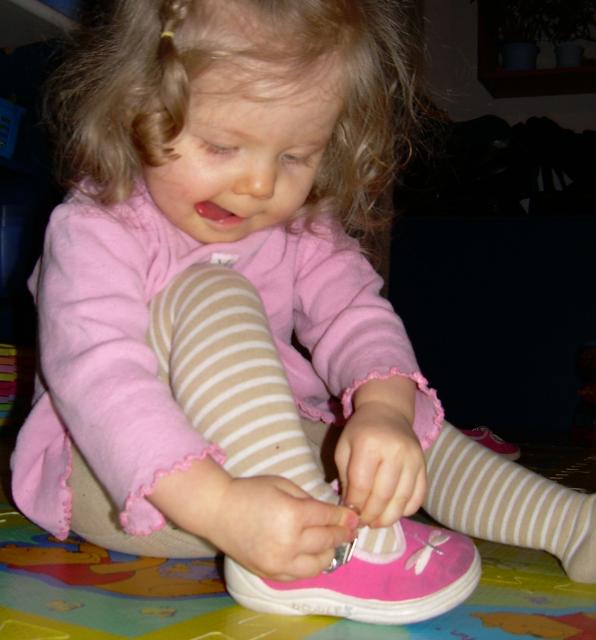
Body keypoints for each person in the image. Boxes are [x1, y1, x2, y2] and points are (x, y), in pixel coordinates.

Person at [11, 0, 594, 626]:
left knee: (403, 434)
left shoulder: (300, 227)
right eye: (222, 145)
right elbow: (100, 382)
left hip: (263, 464)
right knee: (212, 289)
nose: (260, 185)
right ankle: (321, 553)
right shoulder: (96, 227)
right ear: (135, 107)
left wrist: (385, 413)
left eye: (295, 156)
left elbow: (354, 311)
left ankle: (574, 526)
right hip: (125, 483)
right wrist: (221, 507)